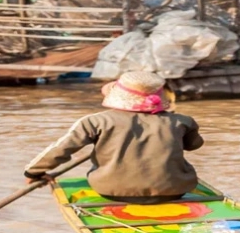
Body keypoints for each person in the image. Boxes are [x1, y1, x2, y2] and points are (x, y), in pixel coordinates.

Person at [24, 71, 204, 204]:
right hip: (174, 190)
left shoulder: (95, 121)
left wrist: (34, 172)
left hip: (111, 191)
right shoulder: (183, 121)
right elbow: (194, 145)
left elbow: (61, 149)